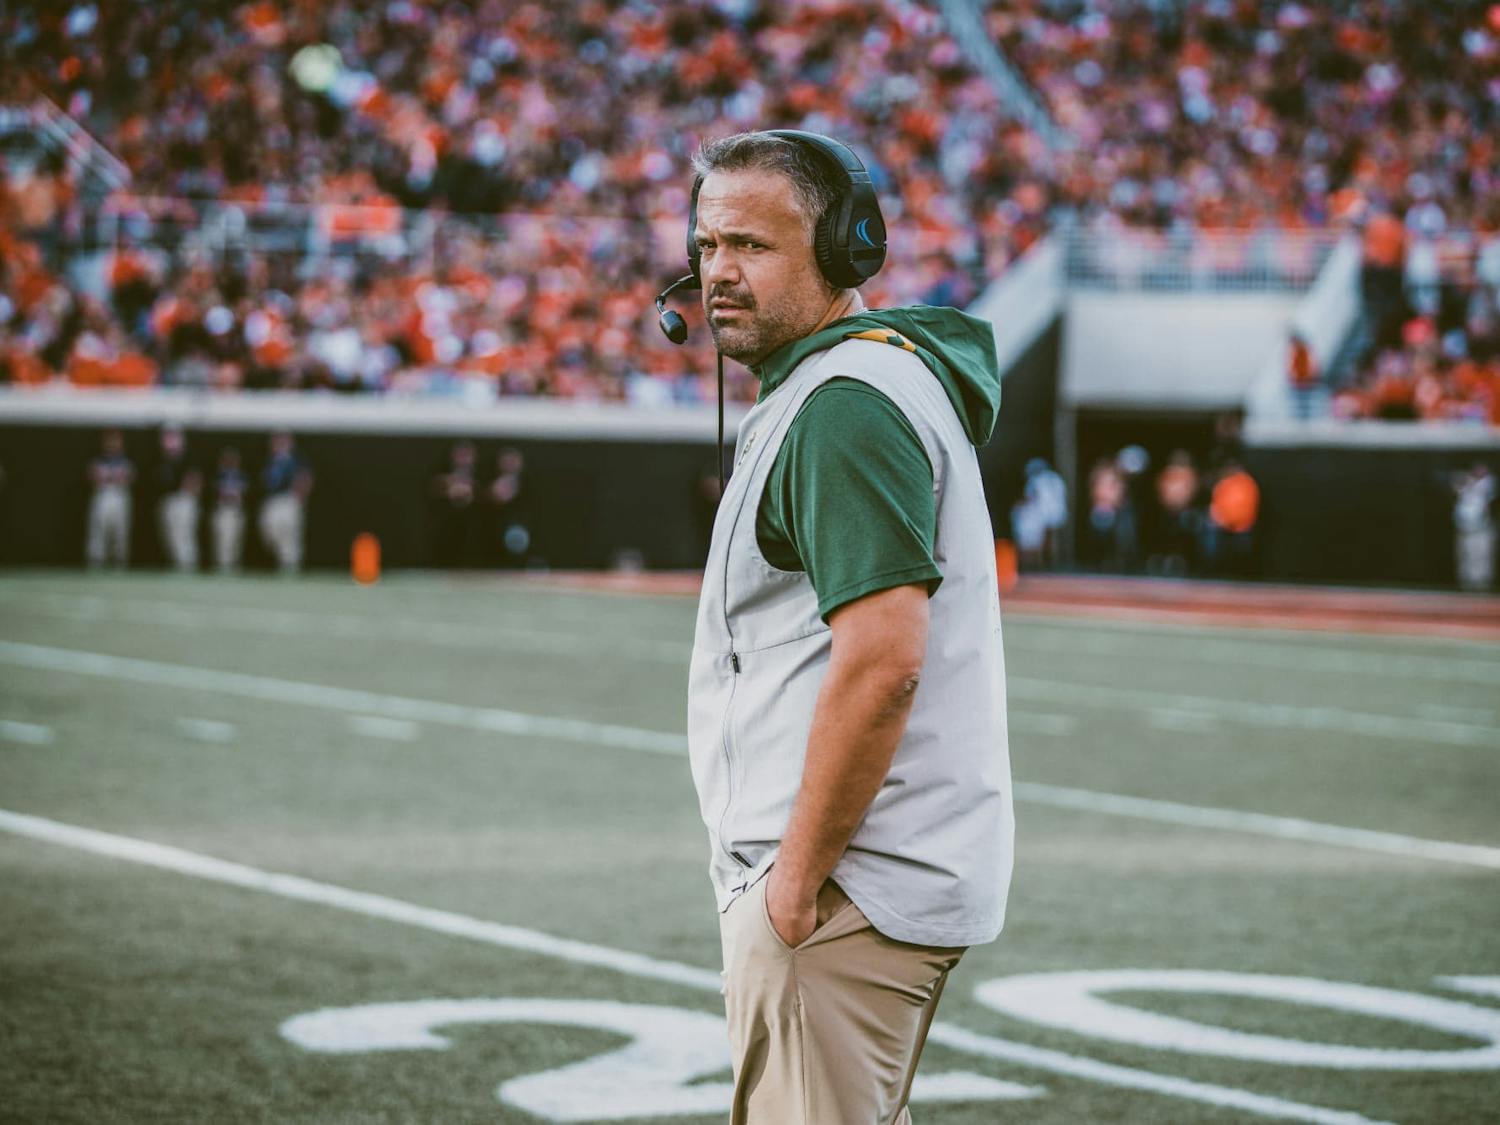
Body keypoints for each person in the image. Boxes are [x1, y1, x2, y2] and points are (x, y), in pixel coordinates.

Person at [682, 130, 1013, 1124]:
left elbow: (883, 663)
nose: (718, 272)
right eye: (706, 245)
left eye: (752, 244)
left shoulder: (844, 407)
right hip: (863, 881)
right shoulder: (850, 386)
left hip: (842, 889)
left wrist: (793, 884)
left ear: (843, 250)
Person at [258, 431, 312, 573]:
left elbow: (305, 478)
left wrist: (301, 495)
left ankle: (290, 564)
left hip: (289, 499)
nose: (279, 445)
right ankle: (282, 557)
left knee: (289, 532)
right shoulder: (270, 460)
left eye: (283, 442)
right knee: (270, 530)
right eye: (276, 442)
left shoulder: (296, 460)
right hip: (273, 500)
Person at [85, 429, 134, 569]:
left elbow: (129, 478)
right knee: (99, 527)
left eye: (116, 440)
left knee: (120, 530)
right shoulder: (98, 461)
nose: (113, 444)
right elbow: (92, 477)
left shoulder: (125, 461)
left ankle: (119, 560)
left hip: (119, 496)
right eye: (110, 441)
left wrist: (117, 479)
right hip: (103, 494)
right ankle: (96, 559)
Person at [154, 425, 200, 572]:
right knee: (170, 536)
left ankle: (188, 565)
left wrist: (189, 490)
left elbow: (195, 482)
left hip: (184, 499)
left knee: (184, 534)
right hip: (168, 501)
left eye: (173, 438)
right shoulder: (161, 460)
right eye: (168, 438)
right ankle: (177, 565)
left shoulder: (188, 458)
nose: (170, 441)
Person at [1453, 462, 1496, 592]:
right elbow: (1455, 485)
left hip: (1482, 529)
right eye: (1477, 469)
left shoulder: (1488, 482)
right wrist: (1466, 481)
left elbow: (1486, 489)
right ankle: (1466, 585)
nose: (1479, 471)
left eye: (1482, 470)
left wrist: (1471, 483)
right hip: (1465, 529)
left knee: (1481, 557)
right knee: (1466, 556)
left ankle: (1482, 586)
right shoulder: (1465, 484)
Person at [212, 446, 248, 573]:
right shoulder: (218, 476)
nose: (230, 462)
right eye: (227, 460)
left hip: (237, 510)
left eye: (233, 460)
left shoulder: (241, 476)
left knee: (236, 540)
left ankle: (234, 566)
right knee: (223, 539)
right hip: (223, 510)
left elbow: (245, 492)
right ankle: (223, 566)